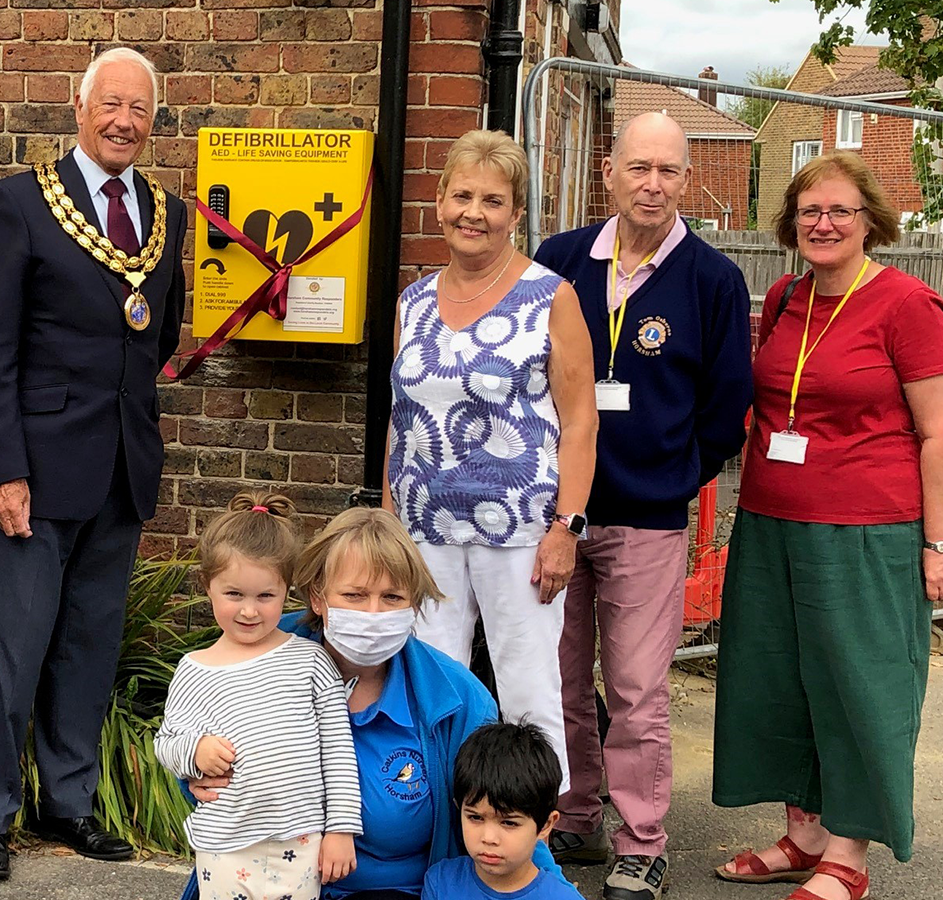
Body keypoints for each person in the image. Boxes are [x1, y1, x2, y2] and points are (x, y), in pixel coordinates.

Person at [0, 46, 187, 882]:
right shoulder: (20, 201)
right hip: (40, 469)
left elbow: (160, 336)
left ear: (153, 122)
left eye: (140, 110)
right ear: (79, 107)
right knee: (12, 650)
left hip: (123, 466)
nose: (124, 121)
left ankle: (70, 803)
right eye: (110, 105)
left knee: (89, 649)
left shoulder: (168, 214)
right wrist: (3, 468)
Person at [532, 112, 752, 900]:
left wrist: (675, 471)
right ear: (608, 171)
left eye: (668, 170)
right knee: (559, 679)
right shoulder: (558, 262)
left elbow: (728, 406)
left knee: (633, 688)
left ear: (687, 180)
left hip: (647, 517)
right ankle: (576, 811)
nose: (652, 184)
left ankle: (643, 842)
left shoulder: (713, 279)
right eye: (638, 168)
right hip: (557, 515)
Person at [712, 150, 943, 900]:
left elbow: (937, 432)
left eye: (841, 210)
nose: (824, 223)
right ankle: (806, 833)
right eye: (811, 210)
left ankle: (849, 850)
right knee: (777, 682)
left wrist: (938, 543)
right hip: (772, 520)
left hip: (867, 529)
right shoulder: (785, 296)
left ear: (872, 220)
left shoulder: (907, 305)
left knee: (858, 687)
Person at [184, 507, 563, 900]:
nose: (372, 613)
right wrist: (195, 768)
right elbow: (189, 743)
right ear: (318, 597)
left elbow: (511, 802)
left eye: (392, 597)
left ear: (415, 604)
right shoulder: (253, 652)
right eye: (354, 595)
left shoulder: (457, 699)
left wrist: (554, 890)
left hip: (393, 891)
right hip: (259, 879)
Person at [384, 129, 598, 791]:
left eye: (494, 200)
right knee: (428, 685)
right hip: (425, 530)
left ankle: (534, 844)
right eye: (463, 195)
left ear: (515, 214)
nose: (475, 212)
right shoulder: (413, 303)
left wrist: (568, 527)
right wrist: (390, 526)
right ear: (440, 201)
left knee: (528, 689)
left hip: (521, 532)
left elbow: (581, 419)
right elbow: (400, 417)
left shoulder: (549, 296)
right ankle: (438, 827)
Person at [155, 492, 362, 900]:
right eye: (234, 594)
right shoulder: (195, 669)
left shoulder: (310, 661)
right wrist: (194, 751)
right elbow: (166, 742)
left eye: (265, 596)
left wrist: (340, 830)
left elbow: (338, 751)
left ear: (287, 590)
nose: (250, 611)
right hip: (224, 843)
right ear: (207, 586)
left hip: (301, 841)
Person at [422, 723, 584, 899]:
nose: (489, 838)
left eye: (509, 822)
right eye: (475, 817)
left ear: (546, 824)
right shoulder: (441, 883)